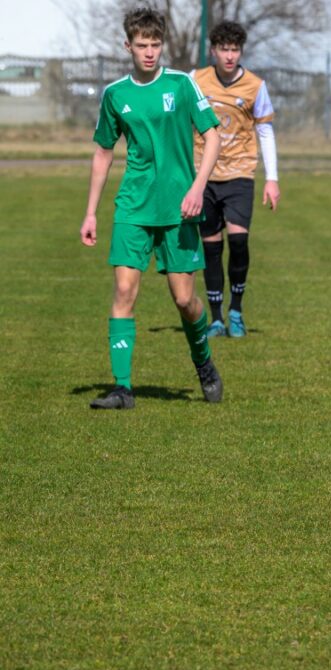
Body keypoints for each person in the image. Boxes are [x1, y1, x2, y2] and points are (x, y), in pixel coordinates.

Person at [80, 7, 223, 410]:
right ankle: (123, 388)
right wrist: (91, 212)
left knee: (184, 300)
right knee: (124, 289)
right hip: (132, 207)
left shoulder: (181, 85)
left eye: (155, 44)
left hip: (180, 208)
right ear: (128, 46)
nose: (149, 52)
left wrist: (198, 187)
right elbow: (103, 153)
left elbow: (212, 138)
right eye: (141, 45)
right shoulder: (115, 95)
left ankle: (204, 362)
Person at [192, 20, 280, 338]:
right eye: (224, 49)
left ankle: (237, 311)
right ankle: (216, 318)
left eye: (235, 49)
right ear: (213, 50)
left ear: (241, 51)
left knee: (239, 241)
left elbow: (265, 131)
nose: (229, 56)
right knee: (211, 246)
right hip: (204, 176)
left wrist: (272, 179)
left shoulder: (255, 85)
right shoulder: (196, 81)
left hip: (240, 174)